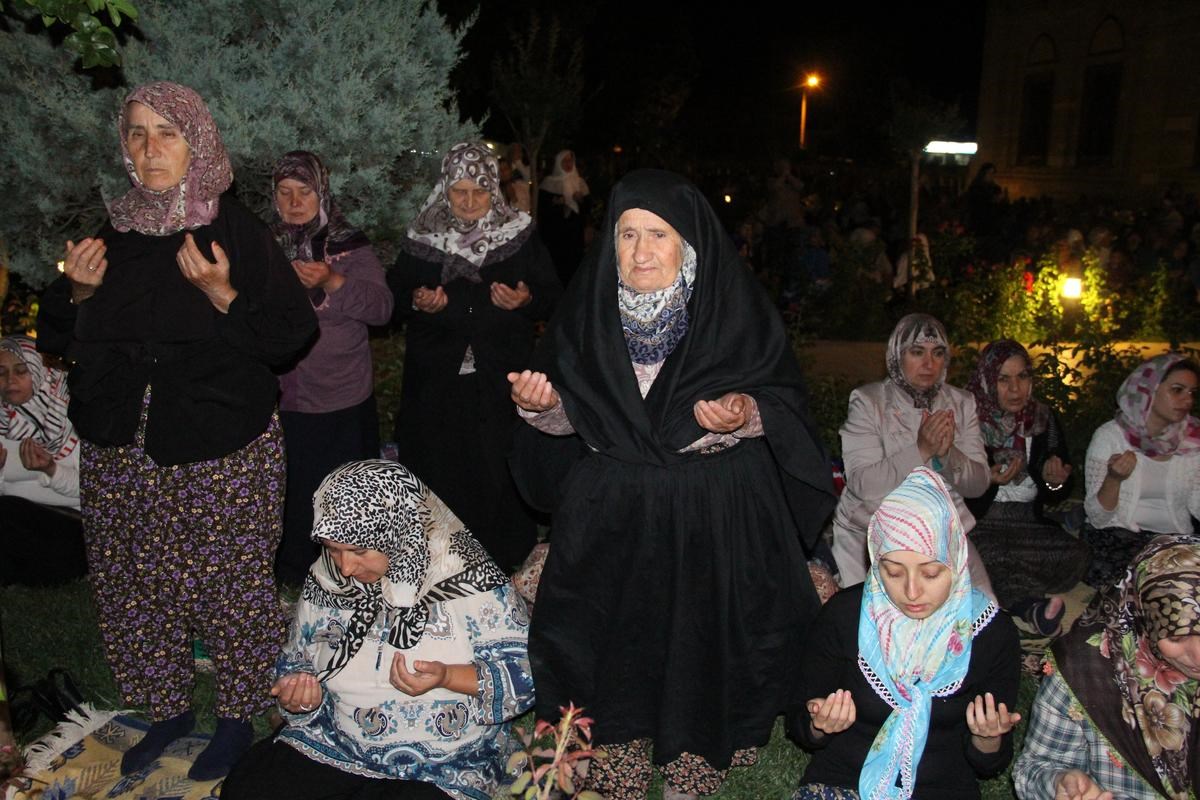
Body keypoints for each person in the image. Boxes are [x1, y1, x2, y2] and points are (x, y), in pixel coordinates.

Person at [508, 169, 835, 798]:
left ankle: (695, 757)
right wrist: (539, 407)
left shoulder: (732, 313)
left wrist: (746, 413)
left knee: (700, 638)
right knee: (616, 638)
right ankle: (619, 754)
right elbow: (571, 414)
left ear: (690, 244)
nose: (640, 251)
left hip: (714, 509)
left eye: (658, 234)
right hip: (615, 512)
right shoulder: (586, 313)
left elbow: (784, 401)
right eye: (626, 235)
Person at [35, 81, 317, 780]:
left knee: (230, 587)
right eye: (136, 133)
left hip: (218, 447)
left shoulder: (234, 229)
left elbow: (291, 333)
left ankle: (235, 716)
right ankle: (162, 708)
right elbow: (57, 332)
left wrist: (225, 296)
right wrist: (76, 296)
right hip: (120, 446)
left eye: (167, 132)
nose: (150, 147)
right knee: (131, 585)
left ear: (198, 142)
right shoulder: (113, 232)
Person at [221, 460, 534, 800]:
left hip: (442, 763)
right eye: (332, 548)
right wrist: (300, 691)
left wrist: (446, 676)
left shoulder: (470, 580)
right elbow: (297, 657)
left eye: (359, 550)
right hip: (336, 743)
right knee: (247, 789)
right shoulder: (327, 578)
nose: (345, 566)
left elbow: (526, 677)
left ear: (397, 531)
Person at [789, 467, 1020, 800]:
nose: (912, 591)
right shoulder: (846, 616)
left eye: (930, 573)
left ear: (956, 560)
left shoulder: (990, 633)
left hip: (941, 787)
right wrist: (819, 724)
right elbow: (799, 720)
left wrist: (988, 739)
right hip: (845, 778)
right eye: (893, 572)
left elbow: (990, 764)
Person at [387, 141, 560, 572]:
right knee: (440, 464)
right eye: (459, 191)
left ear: (493, 191)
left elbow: (553, 298)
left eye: (478, 192)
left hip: (501, 376)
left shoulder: (517, 235)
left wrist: (524, 300)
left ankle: (500, 563)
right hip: (437, 379)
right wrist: (418, 301)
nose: (468, 202)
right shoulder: (422, 236)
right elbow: (392, 299)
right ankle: (440, 563)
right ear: (445, 189)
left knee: (497, 465)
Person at [271, 150, 393, 586]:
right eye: (285, 193)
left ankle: (347, 576)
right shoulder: (265, 245)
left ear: (321, 191)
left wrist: (330, 282)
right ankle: (292, 576)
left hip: (341, 396)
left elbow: (382, 308)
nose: (295, 201)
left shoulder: (347, 245)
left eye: (304, 191)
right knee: (291, 491)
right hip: (284, 395)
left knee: (340, 493)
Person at [1013, 535, 1200, 800]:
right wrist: (1059, 783)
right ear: (1143, 620)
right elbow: (1035, 767)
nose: (1198, 655)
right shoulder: (1087, 671)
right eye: (1177, 637)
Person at [830, 313, 991, 588]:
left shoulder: (961, 403)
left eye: (937, 353)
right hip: (872, 529)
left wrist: (946, 455)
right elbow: (862, 484)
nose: (929, 364)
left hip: (940, 531)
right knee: (875, 624)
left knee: (982, 622)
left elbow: (978, 486)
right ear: (896, 356)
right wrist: (920, 450)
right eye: (917, 352)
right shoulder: (869, 402)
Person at [964, 339, 1090, 635]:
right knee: (985, 556)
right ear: (987, 381)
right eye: (1003, 379)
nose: (1015, 388)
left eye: (1022, 377)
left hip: (1028, 525)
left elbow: (1057, 491)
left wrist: (1054, 481)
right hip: (981, 523)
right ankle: (1030, 607)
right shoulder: (968, 420)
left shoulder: (1043, 419)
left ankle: (1007, 585)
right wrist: (988, 481)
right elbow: (960, 493)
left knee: (1078, 553)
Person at [1081, 354, 1200, 588]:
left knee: (1180, 571)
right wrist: (1114, 479)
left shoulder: (1192, 439)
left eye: (1192, 393)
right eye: (1177, 390)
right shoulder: (1111, 437)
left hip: (1174, 540)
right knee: (1149, 576)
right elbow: (1097, 517)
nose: (1187, 400)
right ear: (1148, 391)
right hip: (1119, 537)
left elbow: (1197, 503)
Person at [0, 335, 86, 586]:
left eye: (21, 370)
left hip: (73, 526)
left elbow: (94, 492)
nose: (9, 381)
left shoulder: (73, 414)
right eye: (1, 372)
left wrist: (51, 469)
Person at [537, 149, 590, 286]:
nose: (568, 164)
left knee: (575, 265)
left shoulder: (580, 183)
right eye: (564, 161)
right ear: (558, 163)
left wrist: (580, 201)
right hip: (557, 234)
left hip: (575, 233)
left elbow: (588, 210)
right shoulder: (549, 183)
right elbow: (542, 211)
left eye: (570, 160)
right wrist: (556, 205)